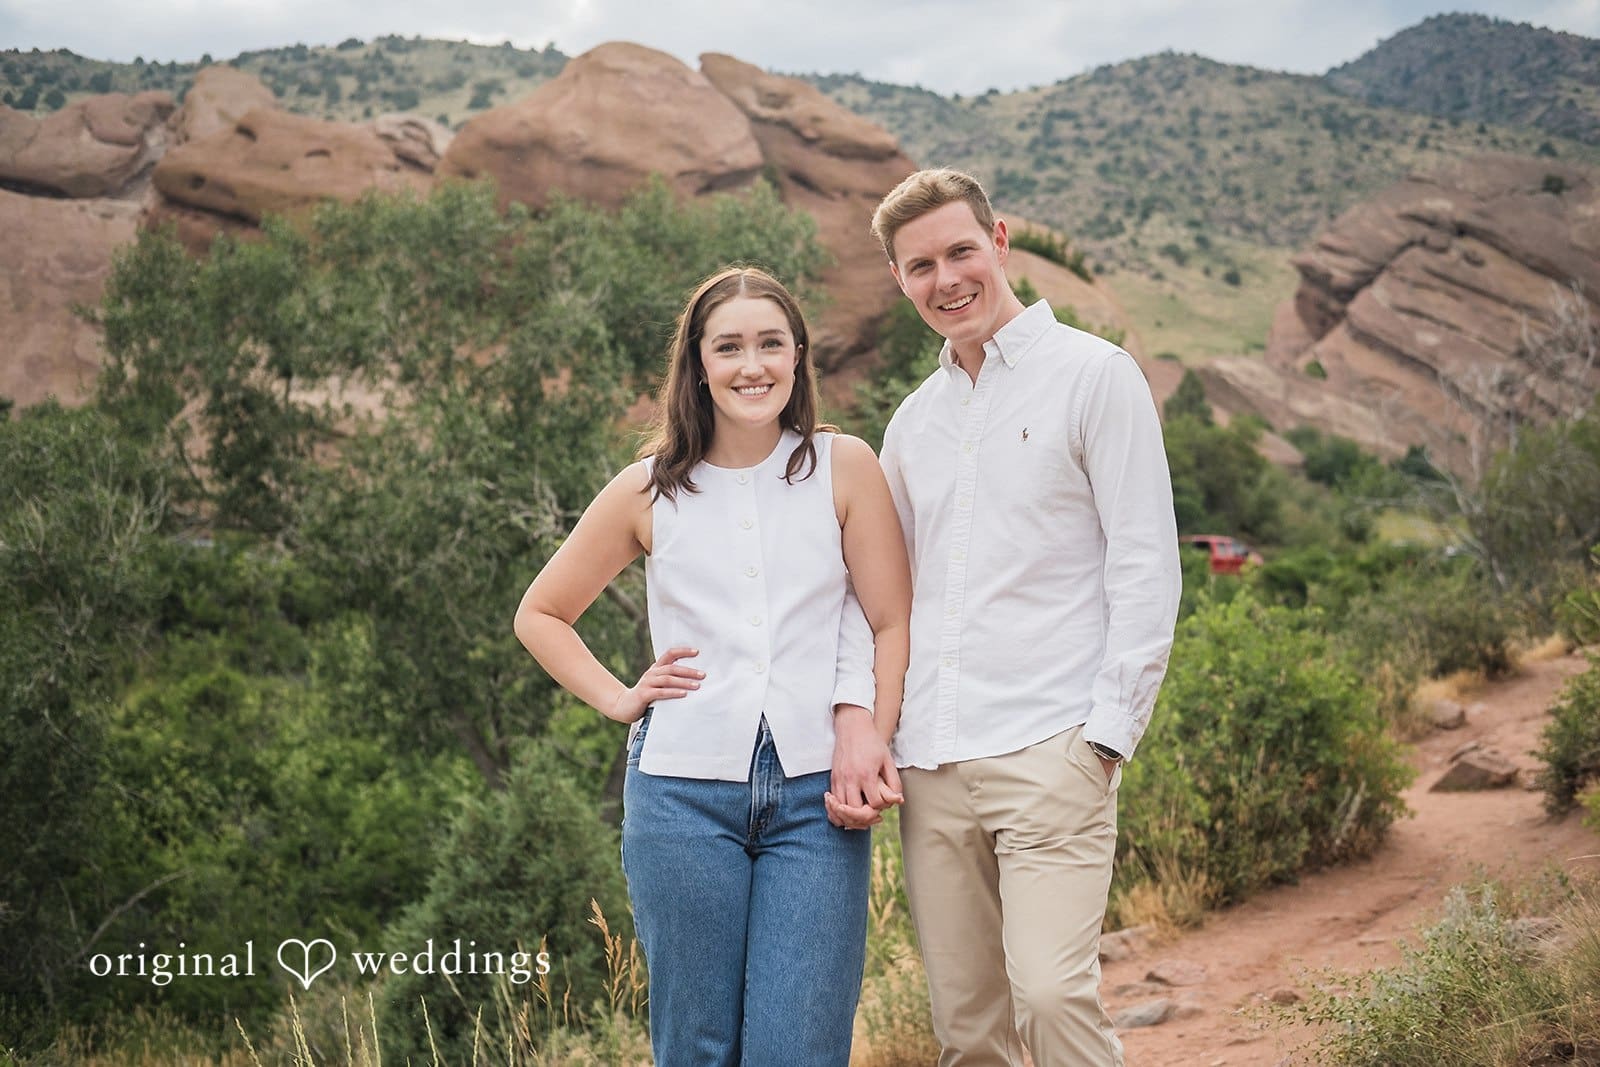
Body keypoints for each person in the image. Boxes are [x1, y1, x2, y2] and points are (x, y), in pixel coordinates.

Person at [513, 266, 910, 1067]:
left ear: (799, 356)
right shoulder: (648, 489)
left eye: (770, 343)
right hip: (680, 797)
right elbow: (540, 614)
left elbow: (890, 617)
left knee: (797, 1049)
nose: (751, 364)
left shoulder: (845, 465)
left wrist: (873, 734)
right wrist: (621, 698)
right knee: (695, 1048)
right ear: (698, 363)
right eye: (728, 346)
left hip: (815, 797)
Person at [831, 168, 1182, 1066]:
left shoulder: (1096, 377)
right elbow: (883, 597)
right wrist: (870, 723)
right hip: (934, 764)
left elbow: (1145, 565)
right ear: (902, 282)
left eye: (959, 251)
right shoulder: (912, 423)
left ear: (1000, 240)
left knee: (1054, 995)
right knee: (970, 1029)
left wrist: (1107, 735)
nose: (946, 279)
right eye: (920, 266)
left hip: (1053, 746)